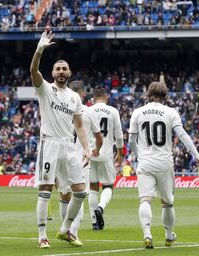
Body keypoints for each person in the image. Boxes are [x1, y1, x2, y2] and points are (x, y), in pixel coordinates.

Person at [30, 31, 90, 249]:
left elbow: (80, 125)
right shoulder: (45, 89)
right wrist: (39, 50)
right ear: (53, 73)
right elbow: (33, 71)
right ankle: (42, 235)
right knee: (45, 190)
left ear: (69, 72)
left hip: (69, 145)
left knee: (81, 191)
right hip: (50, 143)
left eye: (64, 69)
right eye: (58, 69)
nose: (61, 72)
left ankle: (65, 229)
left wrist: (86, 148)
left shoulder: (74, 97)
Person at [128, 82, 199, 249]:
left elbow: (131, 140)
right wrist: (197, 156)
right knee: (167, 203)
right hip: (164, 162)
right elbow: (183, 135)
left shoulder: (137, 112)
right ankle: (169, 235)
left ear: (148, 94)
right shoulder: (171, 112)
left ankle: (147, 234)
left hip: (145, 161)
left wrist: (139, 155)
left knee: (145, 200)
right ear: (165, 96)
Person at [57, 80, 103, 242]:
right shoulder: (89, 112)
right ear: (82, 94)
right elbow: (99, 137)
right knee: (80, 195)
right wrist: (96, 150)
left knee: (64, 196)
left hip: (62, 157)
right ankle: (72, 232)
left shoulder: (61, 109)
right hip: (81, 160)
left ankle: (66, 228)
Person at [88, 87, 123, 230]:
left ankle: (94, 222)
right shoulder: (113, 111)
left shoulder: (87, 110)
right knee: (108, 186)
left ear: (93, 98)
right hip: (106, 154)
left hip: (90, 154)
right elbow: (119, 135)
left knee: (93, 187)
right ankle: (101, 208)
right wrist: (119, 153)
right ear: (106, 97)